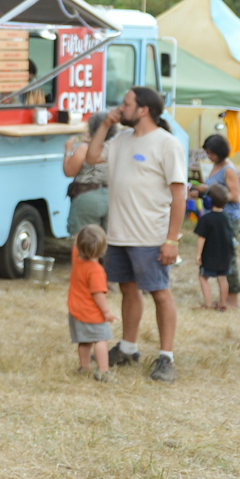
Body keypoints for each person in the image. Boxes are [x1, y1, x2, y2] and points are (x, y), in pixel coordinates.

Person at [84, 85, 185, 383]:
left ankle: (166, 358)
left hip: (150, 236)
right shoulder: (121, 141)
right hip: (118, 235)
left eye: (126, 104)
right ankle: (128, 348)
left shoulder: (167, 144)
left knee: (160, 293)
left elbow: (179, 196)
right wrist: (104, 124)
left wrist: (171, 240)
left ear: (143, 110)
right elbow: (91, 157)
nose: (121, 108)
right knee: (128, 289)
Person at [191, 134, 240, 308]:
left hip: (227, 220)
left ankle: (233, 299)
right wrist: (201, 191)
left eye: (211, 153)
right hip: (214, 219)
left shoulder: (228, 169)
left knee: (228, 258)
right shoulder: (215, 166)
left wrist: (212, 191)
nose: (209, 156)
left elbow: (235, 196)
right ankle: (223, 299)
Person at [67, 224, 115, 381]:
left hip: (76, 311)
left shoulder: (77, 259)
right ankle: (103, 371)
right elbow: (98, 294)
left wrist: (80, 237)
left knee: (84, 341)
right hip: (91, 313)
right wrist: (106, 312)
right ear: (102, 250)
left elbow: (76, 244)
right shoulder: (95, 270)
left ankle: (84, 368)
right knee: (100, 340)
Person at [62, 112, 117, 235]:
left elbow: (69, 172)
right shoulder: (114, 147)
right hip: (110, 197)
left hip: (87, 197)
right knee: (106, 243)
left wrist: (68, 151)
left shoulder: (84, 148)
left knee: (83, 242)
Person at [194, 184, 236, 311]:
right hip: (225, 255)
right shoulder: (227, 218)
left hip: (209, 255)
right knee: (222, 278)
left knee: (203, 277)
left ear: (208, 201)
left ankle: (208, 304)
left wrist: (198, 254)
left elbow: (202, 237)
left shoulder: (206, 219)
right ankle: (223, 304)